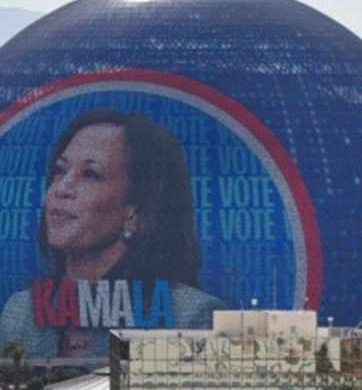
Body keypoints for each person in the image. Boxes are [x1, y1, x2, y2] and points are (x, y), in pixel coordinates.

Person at [0, 108, 225, 357]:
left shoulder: (191, 316)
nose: (61, 189)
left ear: (134, 213)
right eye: (60, 170)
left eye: (90, 175)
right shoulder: (20, 312)